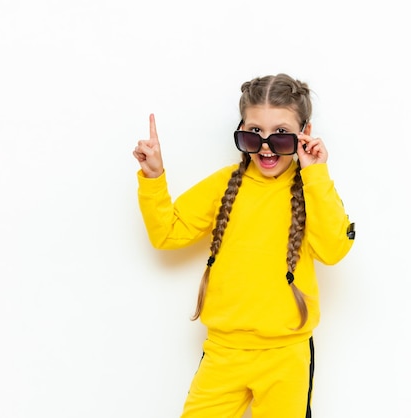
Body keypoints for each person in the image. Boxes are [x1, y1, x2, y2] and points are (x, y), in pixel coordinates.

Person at [132, 73, 355, 417]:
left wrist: (316, 174)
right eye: (254, 133)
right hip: (225, 350)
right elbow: (168, 233)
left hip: (286, 356)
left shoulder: (314, 190)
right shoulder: (224, 185)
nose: (266, 146)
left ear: (305, 134)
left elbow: (333, 249)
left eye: (281, 135)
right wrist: (153, 177)